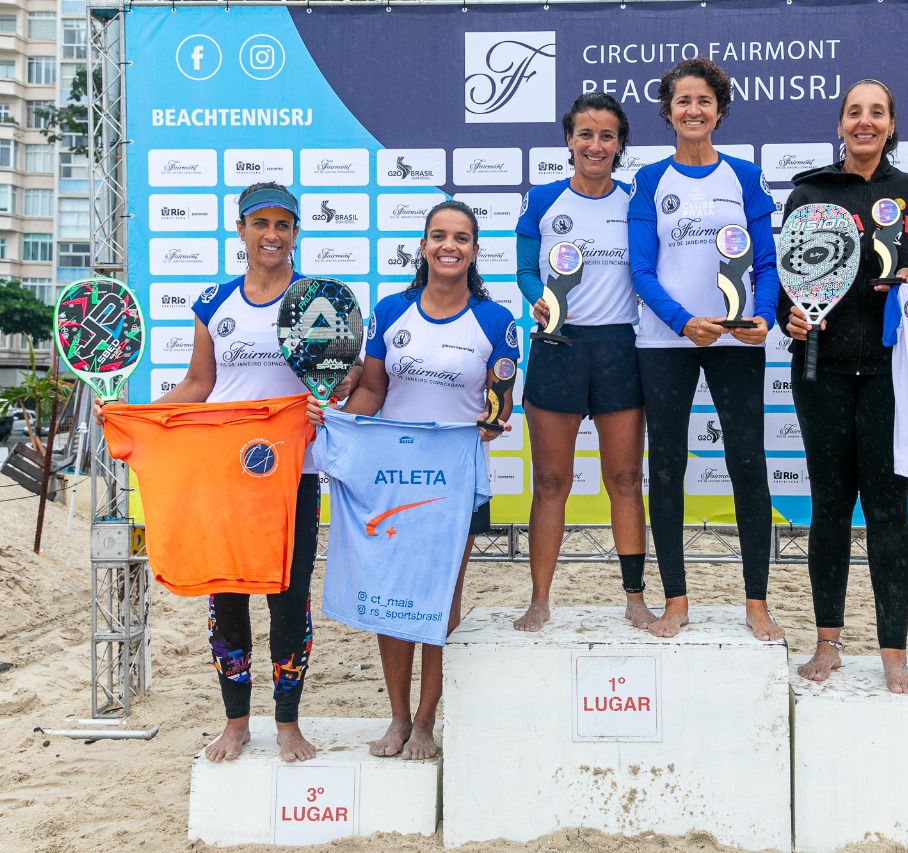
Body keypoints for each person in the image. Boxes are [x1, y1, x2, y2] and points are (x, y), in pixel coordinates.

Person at [95, 182, 357, 762]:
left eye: (283, 225)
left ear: (295, 233)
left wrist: (333, 396)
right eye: (259, 223)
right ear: (240, 230)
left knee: (289, 598)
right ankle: (236, 722)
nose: (272, 235)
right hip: (224, 477)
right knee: (226, 598)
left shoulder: (317, 300)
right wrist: (132, 414)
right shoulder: (215, 302)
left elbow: (346, 379)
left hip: (294, 475)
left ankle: (287, 723)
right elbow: (197, 386)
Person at [310, 200, 519, 757]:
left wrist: (494, 420)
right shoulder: (389, 311)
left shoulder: (496, 321)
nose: (449, 246)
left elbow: (500, 403)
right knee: (388, 594)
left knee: (439, 599)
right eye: (438, 237)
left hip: (454, 479)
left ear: (475, 250)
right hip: (390, 477)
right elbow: (373, 392)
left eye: (462, 238)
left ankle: (427, 719)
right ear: (423, 246)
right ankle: (397, 717)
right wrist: (335, 416)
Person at [779, 79, 908, 693]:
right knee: (828, 506)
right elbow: (789, 278)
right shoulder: (809, 192)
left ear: (891, 125)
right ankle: (828, 642)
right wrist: (791, 313)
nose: (864, 122)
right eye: (854, 112)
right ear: (841, 124)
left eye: (876, 113)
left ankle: (893, 652)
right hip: (819, 366)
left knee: (888, 510)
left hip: (893, 372)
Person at [628, 57, 782, 641]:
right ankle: (676, 598)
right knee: (666, 467)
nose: (694, 110)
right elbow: (642, 271)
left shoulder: (744, 176)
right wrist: (682, 319)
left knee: (748, 462)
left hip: (736, 340)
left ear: (719, 110)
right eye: (683, 101)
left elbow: (765, 263)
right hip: (666, 342)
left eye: (705, 101)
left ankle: (757, 602)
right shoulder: (650, 180)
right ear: (668, 112)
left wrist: (762, 316)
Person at [512, 93, 653, 632]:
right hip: (557, 346)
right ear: (569, 140)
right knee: (550, 481)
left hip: (619, 347)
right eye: (585, 134)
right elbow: (526, 269)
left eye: (607, 136)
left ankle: (635, 597)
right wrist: (537, 297)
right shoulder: (544, 198)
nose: (596, 145)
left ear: (620, 145)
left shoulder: (636, 202)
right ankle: (540, 599)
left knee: (623, 477)